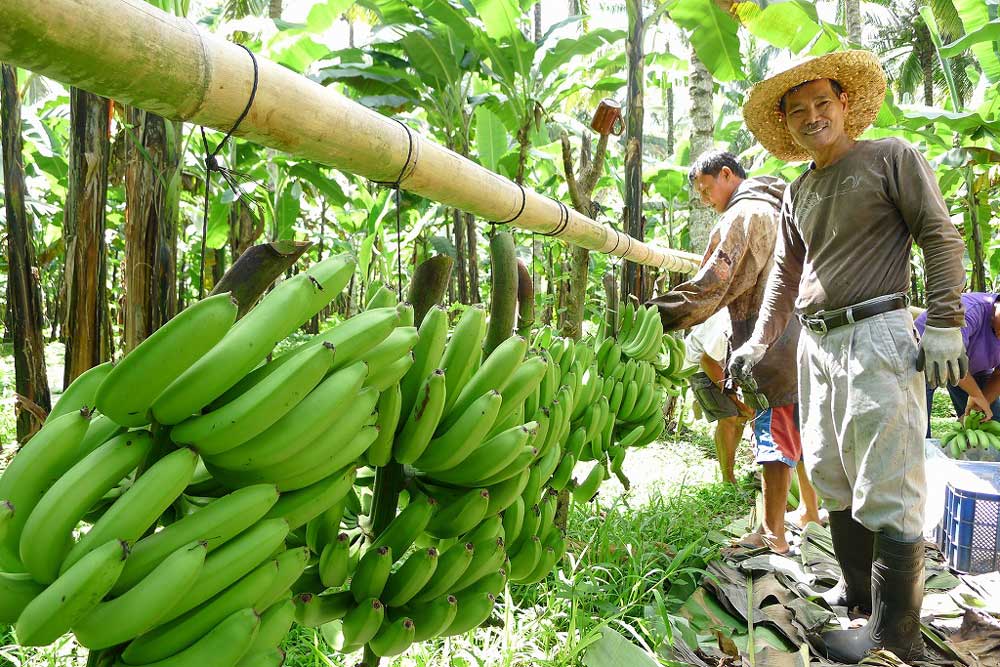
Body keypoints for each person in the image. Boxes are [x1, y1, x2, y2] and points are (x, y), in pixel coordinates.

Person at [730, 51, 967, 663]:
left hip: (879, 332)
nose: (813, 116)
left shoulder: (890, 158)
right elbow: (784, 276)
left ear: (844, 107)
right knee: (832, 474)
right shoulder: (799, 189)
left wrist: (944, 322)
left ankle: (898, 638)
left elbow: (939, 234)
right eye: (798, 110)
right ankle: (860, 600)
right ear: (787, 124)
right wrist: (759, 340)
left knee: (887, 481)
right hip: (819, 342)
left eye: (822, 103)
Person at [649, 150, 822, 555]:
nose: (707, 200)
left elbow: (714, 283)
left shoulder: (744, 215)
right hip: (801, 334)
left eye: (707, 189)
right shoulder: (782, 208)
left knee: (775, 435)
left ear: (727, 174)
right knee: (800, 429)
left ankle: (772, 534)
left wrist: (658, 314)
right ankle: (811, 512)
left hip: (770, 342)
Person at [917, 293, 1000, 433]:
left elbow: (999, 374)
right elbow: (950, 357)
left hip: (972, 369)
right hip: (924, 358)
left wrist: (980, 404)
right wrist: (976, 395)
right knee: (917, 425)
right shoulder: (969, 309)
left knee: (991, 417)